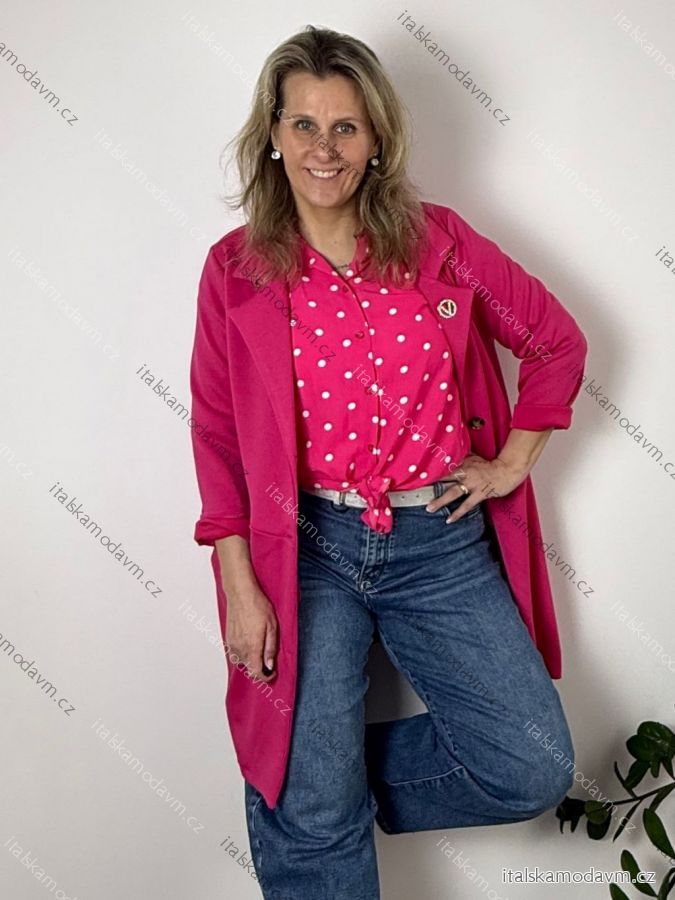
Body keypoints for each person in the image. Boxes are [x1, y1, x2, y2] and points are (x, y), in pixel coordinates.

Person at [188, 24, 588, 900]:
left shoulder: (437, 242)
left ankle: (306, 789)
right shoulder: (235, 270)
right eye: (303, 124)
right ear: (272, 135)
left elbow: (555, 342)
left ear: (376, 139)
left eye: (346, 127)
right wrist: (241, 585)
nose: (323, 148)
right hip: (305, 548)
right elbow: (216, 436)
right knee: (313, 801)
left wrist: (511, 462)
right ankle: (308, 797)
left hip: (437, 541)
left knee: (529, 766)